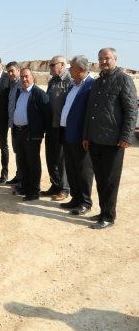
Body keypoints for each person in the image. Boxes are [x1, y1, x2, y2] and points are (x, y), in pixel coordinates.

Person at [83, 47, 137, 229]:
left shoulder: (123, 80)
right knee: (100, 180)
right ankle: (102, 211)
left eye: (107, 58)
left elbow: (131, 111)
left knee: (110, 182)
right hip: (95, 140)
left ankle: (108, 216)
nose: (103, 61)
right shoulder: (97, 83)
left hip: (113, 142)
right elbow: (90, 112)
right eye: (100, 58)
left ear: (115, 59)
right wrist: (87, 136)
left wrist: (126, 136)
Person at [59, 55, 95, 215]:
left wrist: (87, 136)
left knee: (83, 170)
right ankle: (75, 198)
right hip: (68, 134)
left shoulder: (91, 86)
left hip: (81, 136)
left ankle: (85, 202)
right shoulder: (73, 85)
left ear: (81, 69)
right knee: (71, 168)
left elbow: (91, 113)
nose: (69, 71)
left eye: (71, 68)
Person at [12, 68, 52, 201]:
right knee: (22, 161)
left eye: (26, 76)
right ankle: (25, 186)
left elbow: (47, 114)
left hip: (31, 133)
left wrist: (39, 130)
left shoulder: (39, 93)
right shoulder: (20, 92)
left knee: (33, 162)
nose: (24, 79)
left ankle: (34, 191)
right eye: (22, 77)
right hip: (19, 132)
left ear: (32, 77)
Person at [42, 55, 73, 200]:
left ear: (62, 65)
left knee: (61, 160)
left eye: (52, 65)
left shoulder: (69, 81)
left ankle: (64, 189)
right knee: (51, 158)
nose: (50, 68)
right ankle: (55, 185)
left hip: (61, 127)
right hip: (50, 125)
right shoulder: (52, 82)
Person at [5, 62, 23, 187]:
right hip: (13, 124)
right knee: (17, 151)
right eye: (8, 72)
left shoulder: (22, 84)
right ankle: (19, 175)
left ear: (18, 70)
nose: (10, 74)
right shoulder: (11, 84)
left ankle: (24, 180)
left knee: (23, 153)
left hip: (22, 125)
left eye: (12, 71)